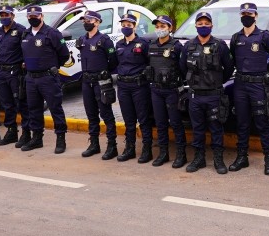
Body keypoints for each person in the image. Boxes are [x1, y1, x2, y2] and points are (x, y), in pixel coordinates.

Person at [227, 2, 269, 175]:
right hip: (240, 85)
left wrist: (263, 70)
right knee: (241, 122)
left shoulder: (264, 36)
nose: (246, 16)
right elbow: (233, 59)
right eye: (244, 13)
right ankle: (242, 157)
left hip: (258, 85)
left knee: (262, 122)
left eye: (250, 14)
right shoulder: (236, 38)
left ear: (256, 16)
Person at [180, 11, 234, 174]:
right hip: (195, 95)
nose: (203, 26)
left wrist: (217, 82)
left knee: (216, 128)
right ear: (195, 26)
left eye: (206, 23)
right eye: (200, 24)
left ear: (211, 25)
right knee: (197, 129)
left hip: (214, 95)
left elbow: (229, 67)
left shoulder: (220, 45)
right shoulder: (188, 46)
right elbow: (183, 68)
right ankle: (199, 159)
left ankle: (218, 159)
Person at [19, 5, 71, 152]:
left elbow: (64, 55)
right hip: (30, 78)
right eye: (30, 16)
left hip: (48, 78)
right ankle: (37, 139)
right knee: (34, 109)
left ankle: (61, 139)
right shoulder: (25, 34)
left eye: (36, 16)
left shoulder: (52, 33)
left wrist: (53, 67)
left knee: (55, 108)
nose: (33, 18)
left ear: (42, 16)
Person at [147, 15, 188, 168]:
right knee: (160, 123)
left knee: (176, 123)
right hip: (156, 90)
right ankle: (163, 154)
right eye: (157, 26)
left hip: (172, 90)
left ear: (170, 28)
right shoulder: (151, 46)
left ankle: (181, 155)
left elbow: (183, 68)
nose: (159, 29)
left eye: (163, 26)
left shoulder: (177, 46)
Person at [77, 10, 119, 159]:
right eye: (84, 20)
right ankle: (94, 144)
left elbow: (113, 61)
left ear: (97, 22)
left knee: (106, 114)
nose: (85, 22)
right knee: (91, 114)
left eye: (89, 20)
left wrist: (104, 73)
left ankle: (112, 145)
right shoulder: (82, 40)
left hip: (101, 82)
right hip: (87, 81)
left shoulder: (104, 40)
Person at [114, 13, 154, 163]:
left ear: (134, 26)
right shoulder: (119, 45)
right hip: (123, 86)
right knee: (128, 120)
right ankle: (129, 149)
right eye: (123, 25)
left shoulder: (143, 43)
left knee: (143, 120)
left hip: (139, 86)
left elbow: (149, 63)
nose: (126, 27)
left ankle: (147, 150)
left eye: (129, 25)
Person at [0, 5, 30, 147]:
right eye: (1, 15)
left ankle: (26, 133)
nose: (4, 17)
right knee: (7, 104)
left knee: (21, 104)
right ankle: (11, 131)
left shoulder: (21, 31)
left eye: (6, 15)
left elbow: (27, 49)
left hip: (16, 73)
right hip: (1, 72)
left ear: (12, 16)